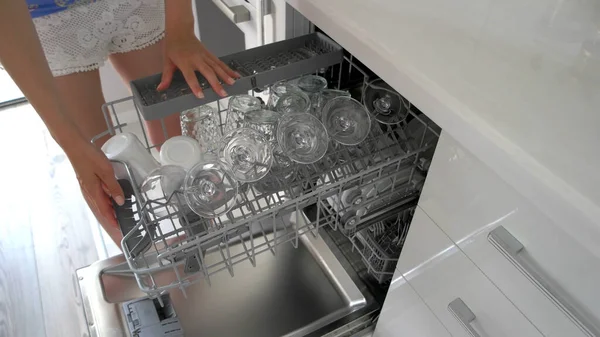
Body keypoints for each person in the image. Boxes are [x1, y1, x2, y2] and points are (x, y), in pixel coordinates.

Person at [0, 0, 238, 245]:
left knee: (175, 143)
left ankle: (205, 242)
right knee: (104, 171)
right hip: (50, 23)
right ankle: (150, 265)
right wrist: (70, 144)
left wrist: (181, 27)